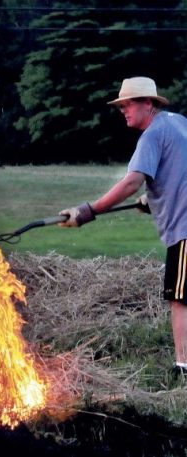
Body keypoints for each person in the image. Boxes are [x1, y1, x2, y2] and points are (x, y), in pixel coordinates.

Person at [58, 76, 187, 379]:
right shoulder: (178, 122)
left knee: (180, 298)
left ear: (148, 103)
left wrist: (89, 210)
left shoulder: (152, 135)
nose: (124, 111)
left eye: (128, 105)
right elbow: (177, 167)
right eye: (121, 107)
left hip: (185, 229)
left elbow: (131, 181)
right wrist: (153, 199)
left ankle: (183, 369)